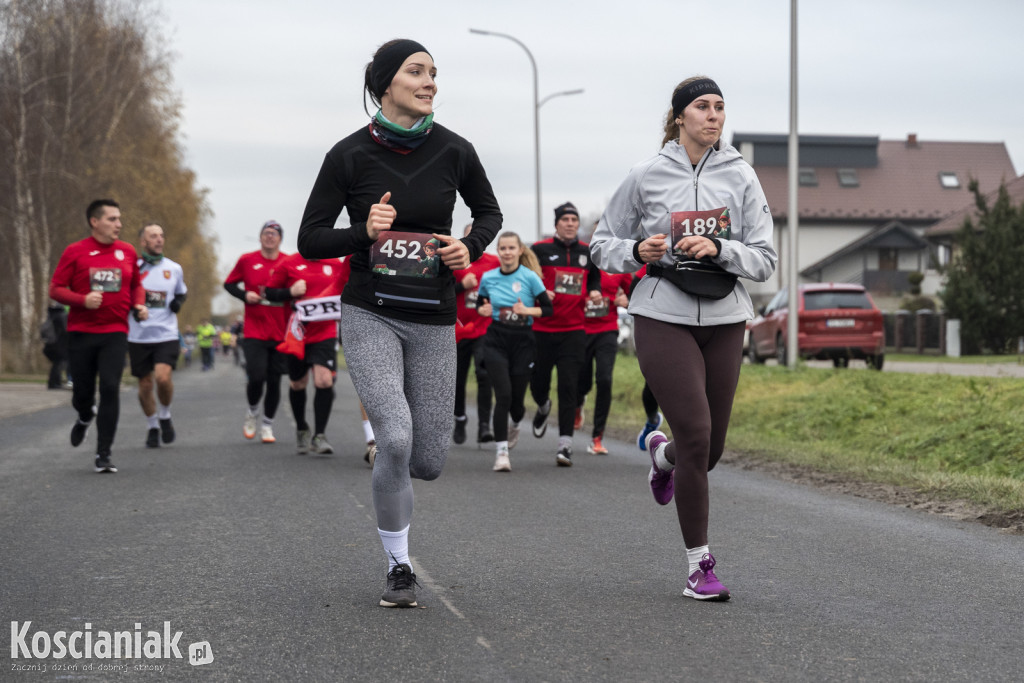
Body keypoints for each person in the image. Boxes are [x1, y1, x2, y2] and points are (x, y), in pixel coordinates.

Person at [297, 38, 501, 608]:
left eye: (434, 73)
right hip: (370, 314)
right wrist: (363, 230)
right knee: (394, 435)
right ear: (386, 83)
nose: (430, 81)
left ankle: (400, 490)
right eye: (417, 71)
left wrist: (468, 246)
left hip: (435, 319)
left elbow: (488, 212)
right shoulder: (348, 156)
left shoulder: (455, 150)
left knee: (429, 460)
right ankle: (398, 564)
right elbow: (310, 239)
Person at [591, 76, 776, 601]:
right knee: (696, 433)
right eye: (702, 106)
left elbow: (765, 258)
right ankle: (700, 566)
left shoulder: (741, 176)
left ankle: (663, 456)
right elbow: (601, 246)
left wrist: (719, 249)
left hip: (724, 316)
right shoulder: (645, 175)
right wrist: (637, 252)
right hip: (661, 313)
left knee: (707, 450)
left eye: (720, 107)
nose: (713, 115)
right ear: (679, 117)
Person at [49, 199, 148, 473]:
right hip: (81, 333)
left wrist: (138, 305)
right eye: (112, 219)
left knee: (109, 387)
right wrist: (82, 300)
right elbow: (56, 289)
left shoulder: (127, 251)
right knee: (82, 393)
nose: (119, 224)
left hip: (115, 332)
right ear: (95, 221)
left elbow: (137, 285)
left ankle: (103, 453)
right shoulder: (75, 251)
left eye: (119, 219)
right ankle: (84, 416)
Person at [529, 201, 602, 466]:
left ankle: (565, 445)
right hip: (542, 329)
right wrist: (538, 292)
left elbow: (594, 278)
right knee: (538, 383)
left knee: (569, 386)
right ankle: (542, 405)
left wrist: (594, 291)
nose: (570, 224)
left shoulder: (588, 252)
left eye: (574, 220)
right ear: (556, 224)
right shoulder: (539, 250)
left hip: (573, 329)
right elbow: (526, 278)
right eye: (565, 220)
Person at [476, 232, 552, 471]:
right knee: (504, 395)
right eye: (503, 248)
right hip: (496, 339)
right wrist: (483, 310)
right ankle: (501, 453)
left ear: (520, 250)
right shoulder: (488, 278)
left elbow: (548, 309)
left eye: (511, 248)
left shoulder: (530, 277)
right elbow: (480, 304)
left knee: (517, 402)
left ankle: (516, 422)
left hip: (523, 341)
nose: (507, 252)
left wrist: (527, 311)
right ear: (498, 251)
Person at [265, 252, 348, 455]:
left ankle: (319, 436)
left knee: (324, 381)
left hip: (325, 332)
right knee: (297, 383)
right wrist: (290, 292)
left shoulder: (334, 262)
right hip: (297, 333)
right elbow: (268, 293)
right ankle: (301, 427)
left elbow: (345, 289)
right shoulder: (289, 263)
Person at [224, 220, 290, 443]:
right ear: (260, 237)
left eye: (274, 234)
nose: (269, 237)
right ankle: (252, 411)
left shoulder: (288, 262)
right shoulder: (247, 260)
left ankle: (268, 425)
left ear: (280, 239)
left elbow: (297, 291)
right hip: (254, 331)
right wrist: (245, 296)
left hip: (280, 332)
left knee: (274, 380)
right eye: (266, 233)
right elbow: (229, 284)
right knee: (257, 376)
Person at [127, 223, 188, 448]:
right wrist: (134, 308)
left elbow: (182, 291)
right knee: (144, 385)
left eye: (161, 235)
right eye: (153, 236)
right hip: (138, 336)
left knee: (163, 378)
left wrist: (177, 302)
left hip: (166, 333)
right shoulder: (133, 268)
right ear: (143, 242)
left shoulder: (174, 268)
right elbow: (123, 295)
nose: (159, 239)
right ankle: (152, 425)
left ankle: (164, 415)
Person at [576, 267, 632, 455]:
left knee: (604, 380)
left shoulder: (619, 270)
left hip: (607, 331)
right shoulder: (582, 265)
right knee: (582, 382)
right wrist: (610, 301)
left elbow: (635, 295)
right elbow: (569, 296)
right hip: (581, 330)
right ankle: (578, 404)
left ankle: (597, 437)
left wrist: (627, 301)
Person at [452, 223, 499, 445]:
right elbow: (440, 292)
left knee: (484, 374)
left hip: (485, 328)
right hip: (459, 329)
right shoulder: (454, 261)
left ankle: (484, 425)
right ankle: (460, 419)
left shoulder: (494, 263)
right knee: (458, 379)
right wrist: (462, 285)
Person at [41, 301, 69, 389]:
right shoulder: (61, 316)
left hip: (50, 344)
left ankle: (54, 382)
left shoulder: (51, 316)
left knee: (56, 364)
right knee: (59, 363)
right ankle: (54, 383)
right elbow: (66, 330)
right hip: (59, 344)